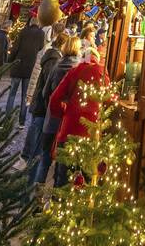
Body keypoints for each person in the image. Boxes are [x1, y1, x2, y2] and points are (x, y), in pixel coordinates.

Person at [45, 45, 109, 187]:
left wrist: (64, 113)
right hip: (91, 133)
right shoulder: (102, 73)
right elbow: (109, 99)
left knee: (62, 180)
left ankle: (57, 205)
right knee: (86, 181)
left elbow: (55, 98)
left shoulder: (75, 71)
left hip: (69, 131)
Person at [32, 36, 82, 186]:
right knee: (63, 165)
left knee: (45, 158)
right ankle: (55, 198)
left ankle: (37, 196)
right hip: (68, 124)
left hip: (52, 120)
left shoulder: (57, 66)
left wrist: (52, 109)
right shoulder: (78, 70)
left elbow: (46, 92)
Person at [22, 32, 66, 171]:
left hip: (40, 103)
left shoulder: (51, 56)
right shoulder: (54, 60)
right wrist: (50, 105)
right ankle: (30, 173)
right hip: (42, 105)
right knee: (38, 138)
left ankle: (27, 158)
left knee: (34, 131)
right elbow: (48, 85)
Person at [3, 19, 45, 126]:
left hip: (18, 65)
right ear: (38, 23)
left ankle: (7, 119)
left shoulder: (23, 31)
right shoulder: (41, 33)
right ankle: (22, 121)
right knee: (25, 96)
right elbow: (41, 47)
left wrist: (10, 60)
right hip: (30, 68)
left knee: (12, 94)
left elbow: (16, 47)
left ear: (30, 23)